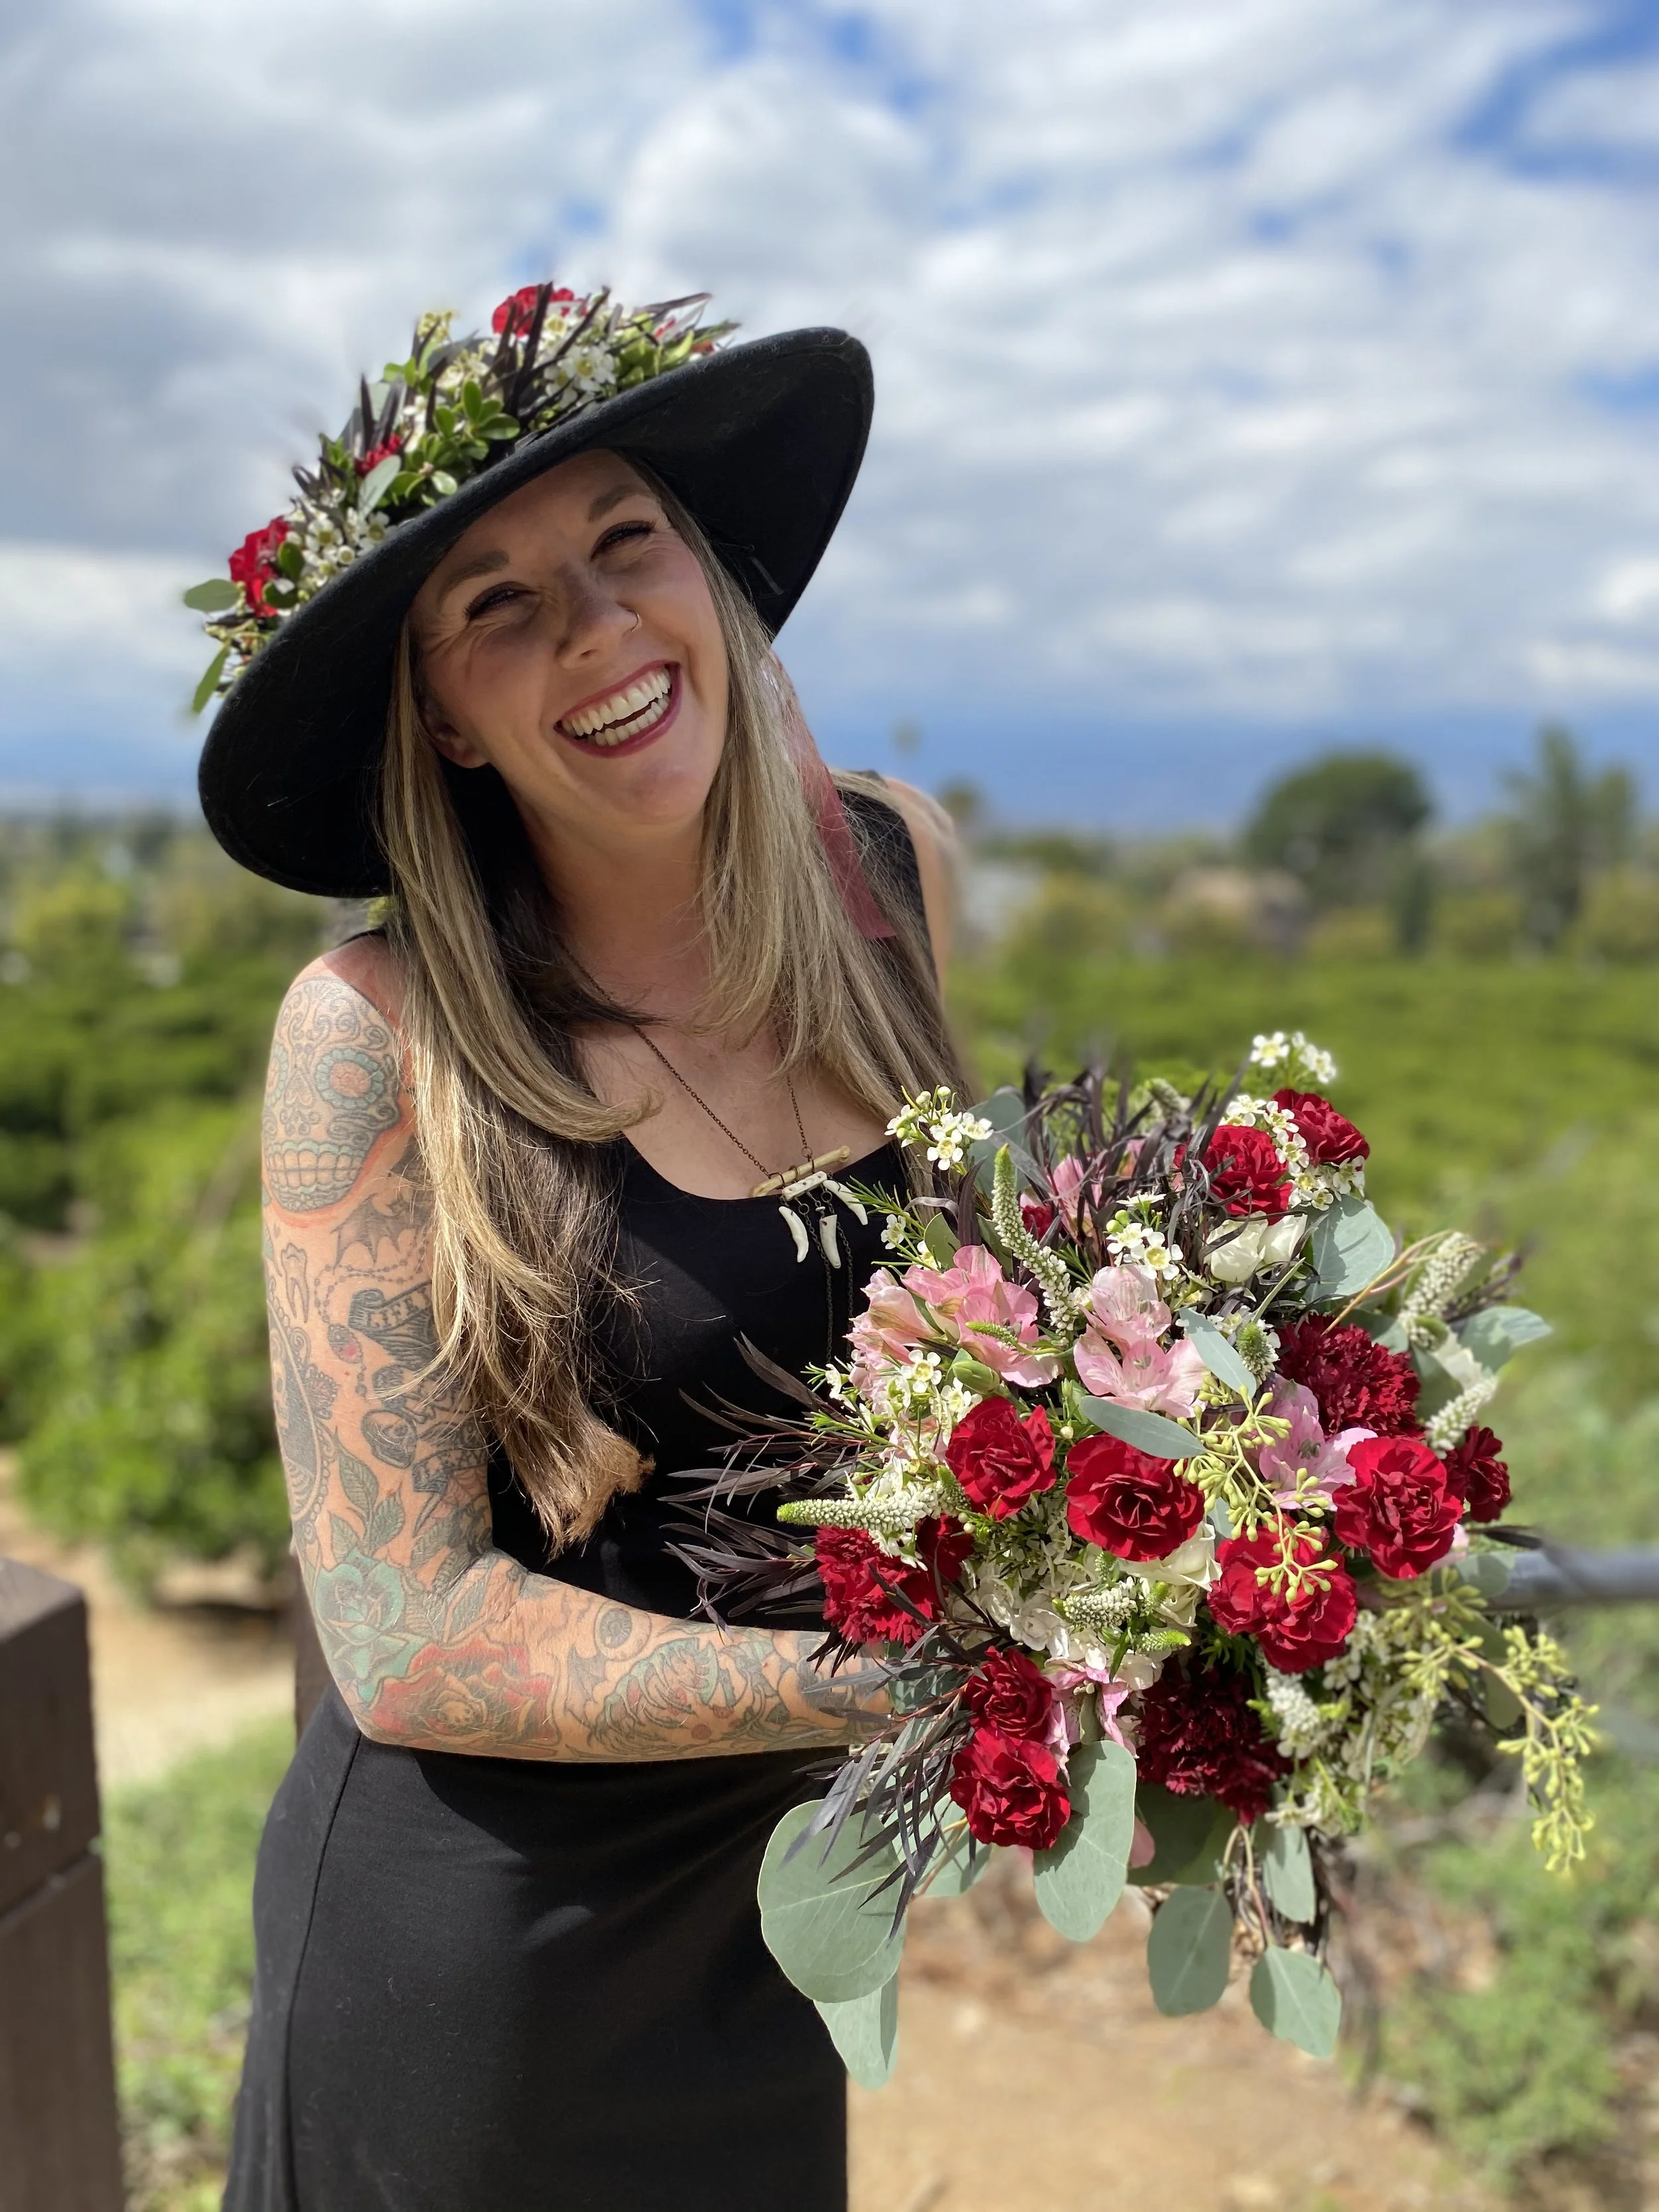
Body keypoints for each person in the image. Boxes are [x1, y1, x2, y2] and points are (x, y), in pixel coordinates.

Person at [197, 285, 965, 2211]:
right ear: (441, 719)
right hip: (477, 1971)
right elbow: (408, 1643)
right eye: (499, 604)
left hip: (775, 1916)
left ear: (709, 573)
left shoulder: (888, 883)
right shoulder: (375, 1039)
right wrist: (904, 1684)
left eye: (630, 542)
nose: (601, 628)